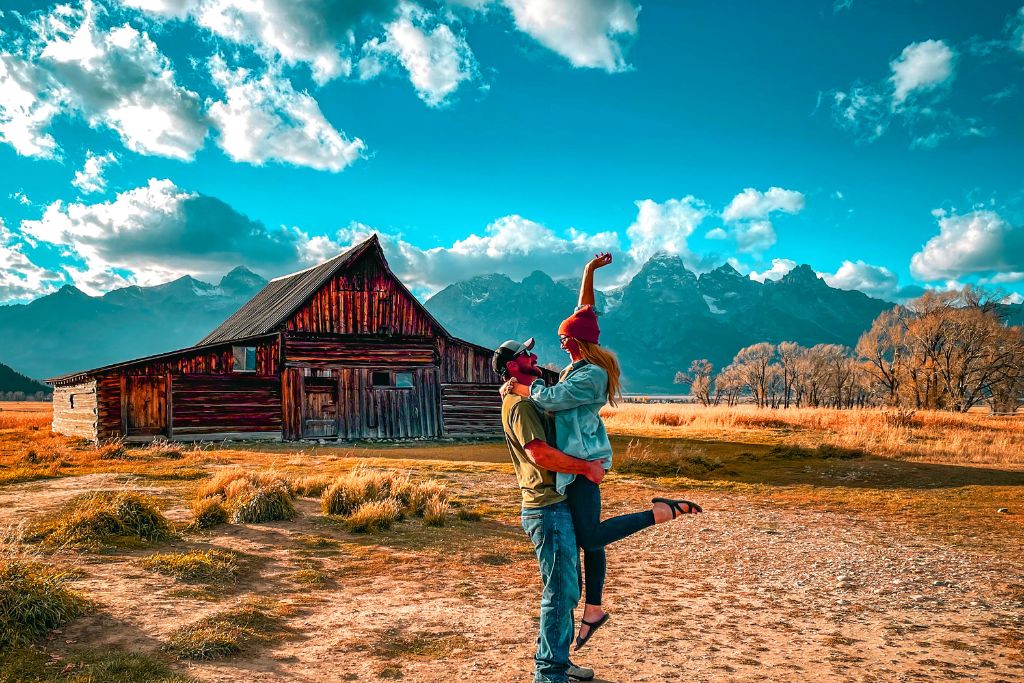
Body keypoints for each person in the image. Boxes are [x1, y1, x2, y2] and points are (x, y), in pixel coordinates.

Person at [501, 252, 702, 652]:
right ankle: (593, 609)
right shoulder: (582, 358)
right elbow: (585, 311)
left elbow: (553, 400)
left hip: (582, 467)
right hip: (576, 467)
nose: (557, 342)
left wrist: (525, 388)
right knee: (589, 541)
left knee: (590, 535)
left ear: (573, 342)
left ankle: (661, 512)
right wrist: (589, 272)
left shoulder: (590, 375)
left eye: (562, 338)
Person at [493, 337, 599, 683]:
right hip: (546, 508)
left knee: (565, 588)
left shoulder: (525, 397)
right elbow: (540, 454)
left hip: (554, 505)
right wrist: (585, 468)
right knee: (559, 591)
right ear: (512, 366)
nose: (534, 356)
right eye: (526, 355)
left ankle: (556, 658)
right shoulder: (520, 407)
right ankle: (549, 673)